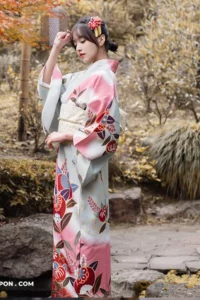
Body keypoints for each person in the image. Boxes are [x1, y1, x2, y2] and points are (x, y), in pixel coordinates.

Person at [38, 15, 124, 298]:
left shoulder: (103, 76)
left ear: (100, 39)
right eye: (75, 42)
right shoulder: (80, 77)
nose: (78, 47)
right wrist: (56, 48)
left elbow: (108, 129)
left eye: (83, 40)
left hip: (85, 163)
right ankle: (67, 292)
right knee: (66, 229)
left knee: (85, 229)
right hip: (67, 164)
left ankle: (88, 293)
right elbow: (49, 88)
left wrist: (66, 135)